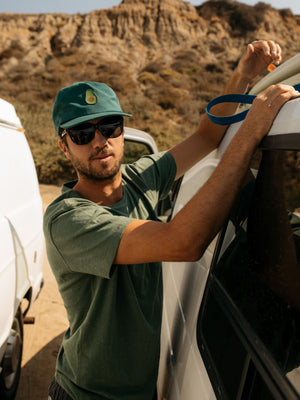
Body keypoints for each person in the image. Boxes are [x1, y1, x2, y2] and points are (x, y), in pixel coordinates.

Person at [44, 40, 299, 400]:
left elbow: (205, 137)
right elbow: (184, 242)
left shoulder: (138, 179)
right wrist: (250, 132)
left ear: (122, 131)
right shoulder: (68, 220)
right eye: (83, 134)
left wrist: (241, 75)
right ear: (64, 145)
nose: (99, 141)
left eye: (110, 127)